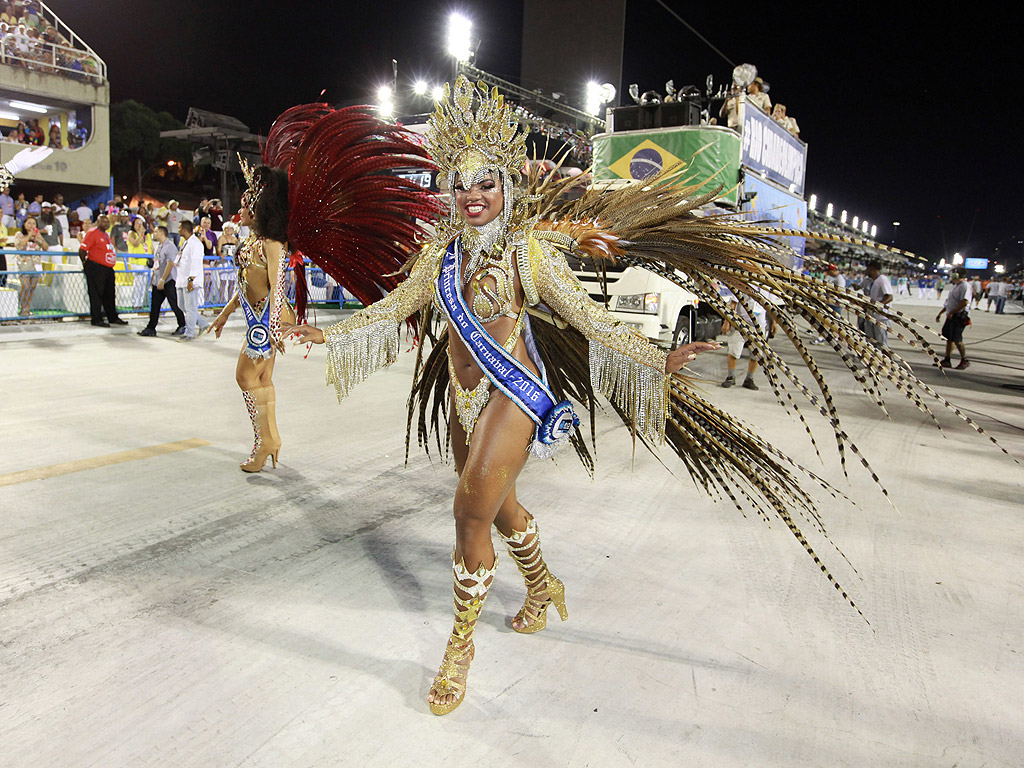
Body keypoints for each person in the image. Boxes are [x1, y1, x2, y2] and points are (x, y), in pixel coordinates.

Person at [285, 84, 723, 716]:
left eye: (486, 182)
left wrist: (655, 358)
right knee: (498, 509)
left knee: (467, 512)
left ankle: (458, 649)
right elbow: (395, 309)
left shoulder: (527, 251)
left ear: (505, 187)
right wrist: (325, 332)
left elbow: (588, 319)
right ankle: (543, 585)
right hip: (464, 397)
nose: (472, 195)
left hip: (512, 391)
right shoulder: (438, 253)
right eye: (461, 183)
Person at [207, 164, 295, 472]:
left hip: (268, 320)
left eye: (245, 205)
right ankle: (271, 440)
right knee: (262, 379)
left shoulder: (272, 244)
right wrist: (223, 315)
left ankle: (264, 443)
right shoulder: (252, 242)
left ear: (258, 208)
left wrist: (273, 329)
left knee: (244, 377)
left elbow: (278, 286)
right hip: (258, 319)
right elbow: (245, 286)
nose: (239, 210)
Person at [79, 213, 126, 327]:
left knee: (110, 293)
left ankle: (112, 317)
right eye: (103, 221)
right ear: (97, 222)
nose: (106, 224)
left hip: (107, 268)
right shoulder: (92, 233)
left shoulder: (105, 234)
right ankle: (96, 319)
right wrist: (86, 265)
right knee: (96, 294)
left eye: (107, 222)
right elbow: (82, 250)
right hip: (96, 267)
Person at [138, 225, 185, 336]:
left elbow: (170, 263)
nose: (153, 234)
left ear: (161, 233)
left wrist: (163, 279)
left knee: (174, 304)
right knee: (155, 305)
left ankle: (183, 325)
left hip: (168, 281)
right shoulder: (159, 247)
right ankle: (151, 328)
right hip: (158, 280)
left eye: (155, 232)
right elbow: (157, 263)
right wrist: (154, 278)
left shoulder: (170, 247)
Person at [720, 286, 765, 389]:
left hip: (759, 326)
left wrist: (773, 323)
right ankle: (731, 377)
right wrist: (727, 322)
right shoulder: (744, 284)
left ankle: (749, 379)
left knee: (756, 354)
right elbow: (733, 304)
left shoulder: (766, 288)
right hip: (740, 324)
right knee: (733, 351)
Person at [175, 219, 207, 340]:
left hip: (190, 280)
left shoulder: (196, 244)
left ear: (184, 230)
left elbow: (195, 262)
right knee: (182, 306)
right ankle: (203, 324)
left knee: (190, 308)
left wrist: (191, 280)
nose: (178, 230)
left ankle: (189, 333)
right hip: (182, 279)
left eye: (179, 228)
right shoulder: (186, 242)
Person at [935, 267, 971, 369]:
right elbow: (949, 302)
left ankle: (964, 360)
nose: (951, 276)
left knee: (957, 339)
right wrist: (941, 313)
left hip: (958, 316)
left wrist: (952, 312)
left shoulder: (964, 286)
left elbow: (965, 302)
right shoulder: (955, 286)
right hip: (951, 315)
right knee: (949, 338)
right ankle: (947, 359)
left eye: (953, 274)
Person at [14, 214, 46, 315]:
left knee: (32, 287)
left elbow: (46, 247)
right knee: (25, 286)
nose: (31, 225)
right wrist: (29, 235)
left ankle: (27, 308)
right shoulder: (19, 234)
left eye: (33, 223)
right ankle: (21, 307)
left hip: (36, 264)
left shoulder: (37, 235)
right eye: (29, 223)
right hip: (24, 263)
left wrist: (39, 239)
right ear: (24, 224)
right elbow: (19, 246)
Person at [858, 259, 893, 348]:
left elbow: (889, 297)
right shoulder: (869, 281)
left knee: (881, 343)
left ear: (874, 269)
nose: (867, 271)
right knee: (870, 341)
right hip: (870, 316)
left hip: (881, 317)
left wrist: (877, 305)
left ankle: (888, 360)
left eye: (869, 269)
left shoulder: (882, 279)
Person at [812, 263, 846, 344]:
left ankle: (833, 337)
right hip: (829, 303)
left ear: (833, 270)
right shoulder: (832, 278)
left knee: (834, 322)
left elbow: (839, 292)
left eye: (829, 270)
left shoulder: (840, 279)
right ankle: (823, 337)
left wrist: (828, 293)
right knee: (825, 320)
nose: (828, 272)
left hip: (835, 304)